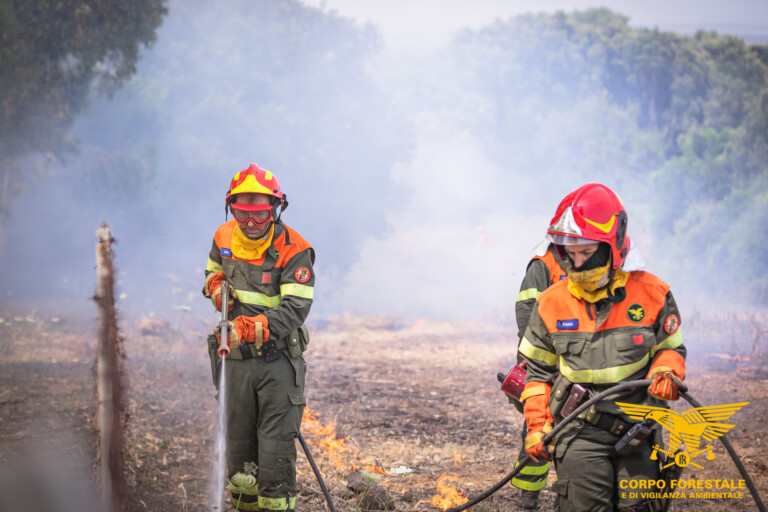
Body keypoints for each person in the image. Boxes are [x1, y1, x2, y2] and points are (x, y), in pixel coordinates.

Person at [518, 183, 685, 512]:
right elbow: (537, 373)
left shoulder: (653, 294)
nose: (577, 264)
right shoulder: (551, 303)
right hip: (580, 434)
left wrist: (666, 369)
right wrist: (538, 426)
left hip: (641, 433)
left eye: (587, 253)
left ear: (613, 247)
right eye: (571, 253)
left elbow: (672, 348)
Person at [202, 163, 315, 512]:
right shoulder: (223, 236)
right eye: (242, 214)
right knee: (237, 447)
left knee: (275, 448)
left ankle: (275, 507)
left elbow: (295, 308)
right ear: (230, 208)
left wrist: (249, 328)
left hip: (276, 361)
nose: (250, 223)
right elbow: (212, 272)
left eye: (259, 215)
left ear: (276, 209)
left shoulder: (295, 248)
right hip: (234, 362)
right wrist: (216, 286)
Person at [512, 241, 568, 509]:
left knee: (578, 427)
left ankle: (570, 493)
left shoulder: (596, 262)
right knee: (540, 421)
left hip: (578, 360)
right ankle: (527, 493)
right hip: (547, 357)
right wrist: (540, 359)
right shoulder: (543, 266)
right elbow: (527, 315)